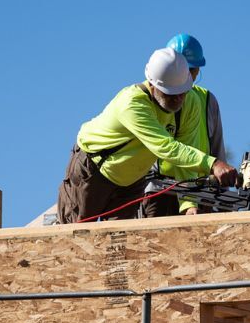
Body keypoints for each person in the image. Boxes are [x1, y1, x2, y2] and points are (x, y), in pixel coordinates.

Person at [57, 47, 237, 224]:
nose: (177, 99)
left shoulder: (189, 105)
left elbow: (183, 158)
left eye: (181, 92)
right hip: (94, 170)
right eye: (169, 94)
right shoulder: (133, 103)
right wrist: (213, 163)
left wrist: (189, 203)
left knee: (117, 243)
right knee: (76, 234)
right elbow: (166, 148)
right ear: (152, 85)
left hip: (132, 180)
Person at [142, 33, 227, 218]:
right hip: (160, 189)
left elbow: (217, 149)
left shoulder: (206, 101)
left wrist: (222, 194)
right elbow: (171, 149)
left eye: (191, 71)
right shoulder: (153, 99)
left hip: (200, 190)